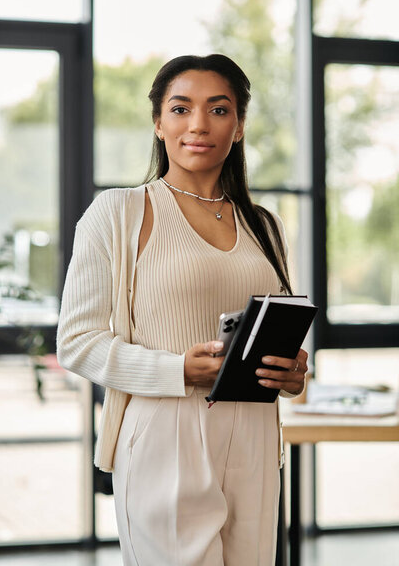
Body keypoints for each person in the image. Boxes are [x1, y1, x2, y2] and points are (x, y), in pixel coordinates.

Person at [57, 54, 308, 566]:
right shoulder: (119, 212)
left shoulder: (265, 225)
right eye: (180, 108)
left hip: (257, 435)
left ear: (238, 127)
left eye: (219, 110)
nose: (198, 124)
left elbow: (279, 328)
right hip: (164, 432)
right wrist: (177, 370)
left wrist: (295, 370)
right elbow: (77, 341)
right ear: (158, 122)